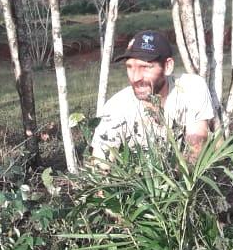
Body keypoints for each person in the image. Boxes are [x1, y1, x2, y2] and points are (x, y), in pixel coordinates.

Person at [91, 30, 214, 162]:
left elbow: (195, 150)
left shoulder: (191, 88)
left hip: (188, 176)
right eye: (129, 67)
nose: (135, 77)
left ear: (168, 66)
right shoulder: (117, 106)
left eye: (145, 67)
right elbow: (100, 163)